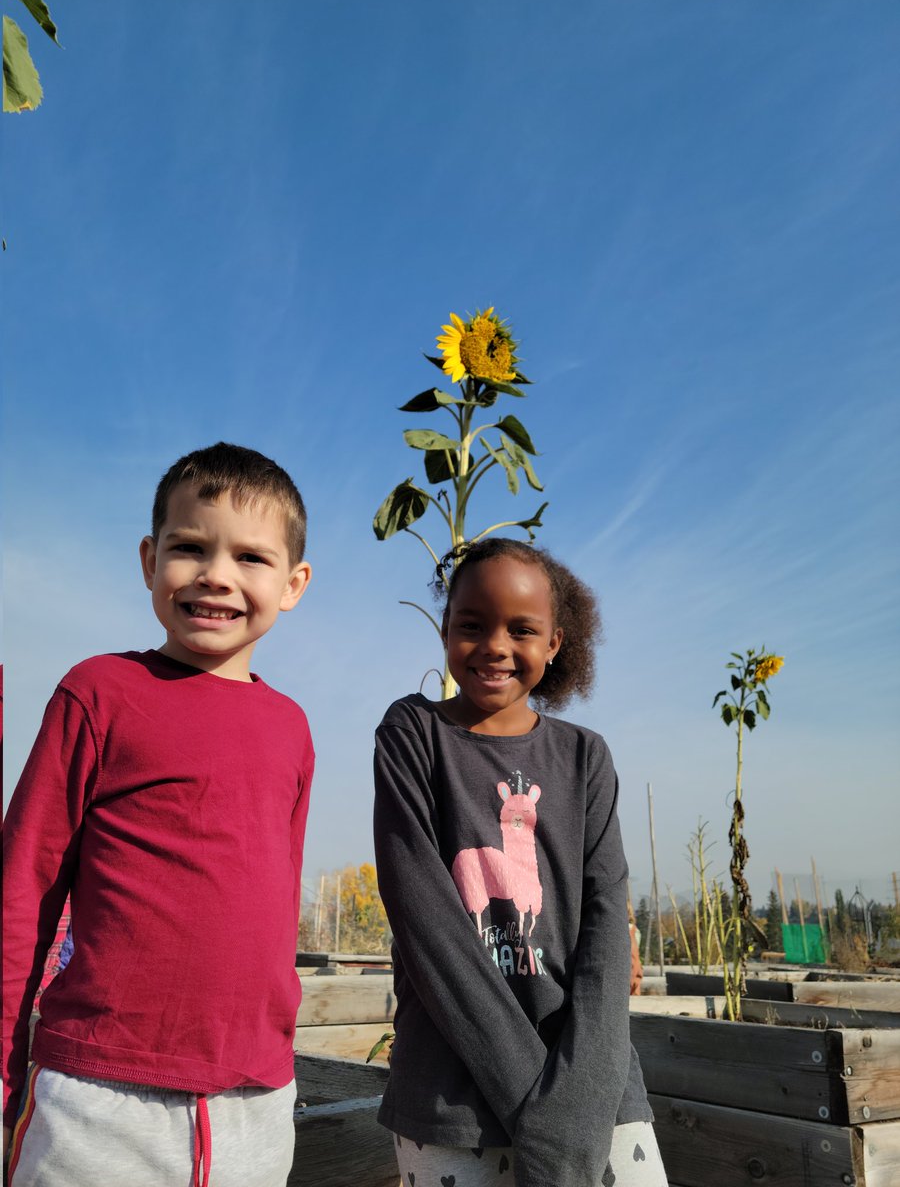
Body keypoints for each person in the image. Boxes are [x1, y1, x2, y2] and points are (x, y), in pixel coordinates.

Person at [3, 443, 314, 1187]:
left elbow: (274, 906)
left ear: (294, 583)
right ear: (149, 561)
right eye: (189, 547)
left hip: (256, 1102)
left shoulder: (292, 728)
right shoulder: (100, 692)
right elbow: (23, 889)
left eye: (251, 558)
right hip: (97, 1098)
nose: (216, 575)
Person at [373, 538, 667, 1187]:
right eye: (471, 625)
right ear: (445, 629)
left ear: (555, 643)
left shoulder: (586, 759)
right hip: (453, 1106)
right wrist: (551, 1125)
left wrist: (577, 1105)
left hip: (596, 1097)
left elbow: (604, 935)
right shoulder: (413, 736)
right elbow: (433, 936)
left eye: (522, 629)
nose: (495, 646)